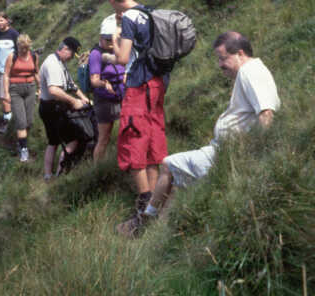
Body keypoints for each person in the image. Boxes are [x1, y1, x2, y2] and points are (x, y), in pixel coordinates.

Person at [118, 30, 281, 237]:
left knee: (168, 164)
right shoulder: (251, 71)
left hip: (226, 155)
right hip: (221, 149)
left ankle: (146, 220)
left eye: (223, 59)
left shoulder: (250, 72)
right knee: (176, 181)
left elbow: (266, 113)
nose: (220, 64)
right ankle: (160, 233)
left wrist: (257, 158)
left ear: (240, 53)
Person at [104, 0, 168, 220]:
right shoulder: (150, 11)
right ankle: (155, 200)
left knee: (133, 135)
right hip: (157, 83)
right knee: (153, 136)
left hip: (138, 85)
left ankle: (143, 202)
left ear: (112, 0)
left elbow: (123, 58)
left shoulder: (129, 17)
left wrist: (114, 45)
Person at [39, 37, 90, 180]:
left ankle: (48, 175)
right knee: (74, 139)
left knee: (53, 141)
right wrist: (74, 102)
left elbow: (70, 83)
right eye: (71, 53)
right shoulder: (52, 64)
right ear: (65, 49)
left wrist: (82, 96)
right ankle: (61, 173)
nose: (71, 58)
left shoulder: (58, 61)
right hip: (53, 108)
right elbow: (54, 90)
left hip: (48, 107)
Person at [89, 14, 125, 161]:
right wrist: (105, 83)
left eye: (113, 40)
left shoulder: (117, 48)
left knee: (127, 131)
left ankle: (124, 161)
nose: (110, 43)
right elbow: (94, 80)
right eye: (107, 40)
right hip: (105, 100)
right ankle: (97, 168)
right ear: (100, 37)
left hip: (122, 95)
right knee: (104, 137)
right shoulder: (96, 54)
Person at [3, 34, 40, 162]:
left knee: (29, 121)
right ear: (17, 46)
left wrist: (40, 88)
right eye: (21, 48)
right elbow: (6, 75)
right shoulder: (12, 56)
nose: (24, 50)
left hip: (30, 88)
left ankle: (21, 138)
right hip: (15, 89)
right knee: (21, 122)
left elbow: (36, 72)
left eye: (26, 48)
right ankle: (23, 150)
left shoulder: (34, 55)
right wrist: (6, 93)